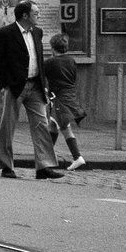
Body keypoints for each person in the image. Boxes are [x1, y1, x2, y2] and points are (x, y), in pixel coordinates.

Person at [0, 0, 63, 180]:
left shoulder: (37, 32)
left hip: (36, 85)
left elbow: (38, 57)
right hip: (15, 86)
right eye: (36, 13)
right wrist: (6, 83)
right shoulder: (5, 33)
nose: (38, 16)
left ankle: (44, 167)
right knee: (8, 126)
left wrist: (44, 84)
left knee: (41, 125)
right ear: (25, 15)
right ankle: (6, 166)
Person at [44, 33, 87, 171]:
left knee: (63, 127)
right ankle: (47, 157)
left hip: (58, 98)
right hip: (69, 95)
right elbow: (73, 77)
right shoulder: (71, 60)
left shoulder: (50, 62)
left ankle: (76, 157)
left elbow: (42, 76)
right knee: (54, 125)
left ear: (52, 47)